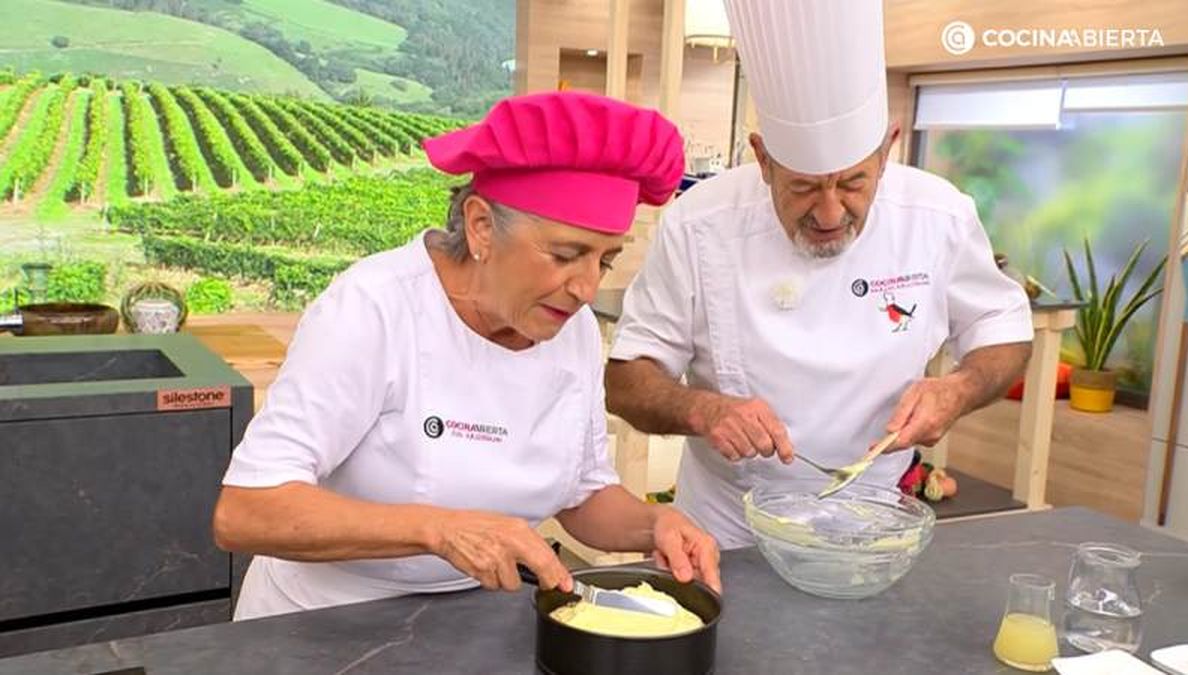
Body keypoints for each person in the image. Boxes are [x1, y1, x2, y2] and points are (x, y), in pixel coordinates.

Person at [212, 91, 721, 620]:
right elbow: (246, 510)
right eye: (567, 255)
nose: (587, 288)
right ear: (481, 227)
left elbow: (583, 493)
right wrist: (439, 529)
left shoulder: (574, 334)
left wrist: (654, 525)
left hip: (466, 623)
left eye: (606, 261)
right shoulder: (375, 309)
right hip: (320, 622)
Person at [604, 0, 1034, 548]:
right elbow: (626, 380)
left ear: (887, 150)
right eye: (803, 187)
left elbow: (1003, 330)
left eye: (853, 183)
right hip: (727, 530)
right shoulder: (700, 222)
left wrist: (959, 389)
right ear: (762, 160)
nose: (830, 213)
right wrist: (700, 408)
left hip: (874, 522)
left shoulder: (939, 215)